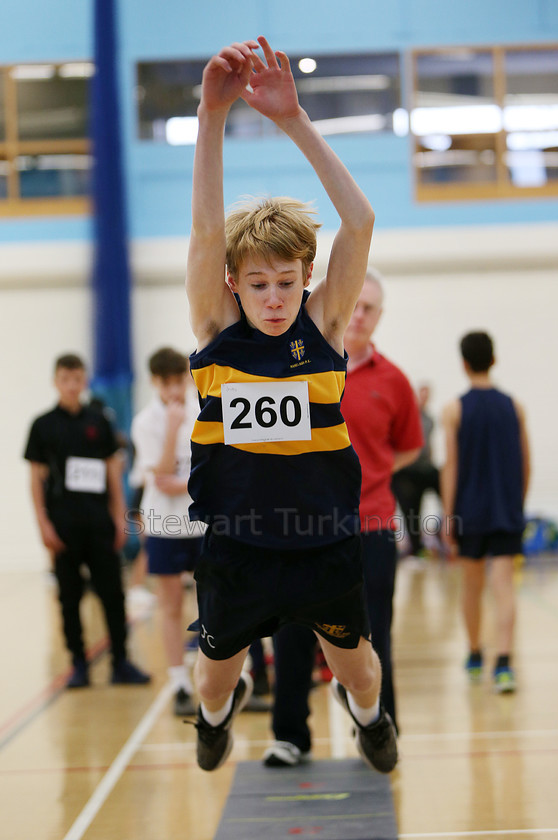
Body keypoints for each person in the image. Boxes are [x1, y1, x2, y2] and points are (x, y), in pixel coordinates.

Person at [185, 36, 397, 774]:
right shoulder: (215, 333)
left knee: (360, 670)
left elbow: (361, 222)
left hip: (321, 542)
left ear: (307, 276)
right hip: (237, 547)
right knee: (210, 681)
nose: (273, 298)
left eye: (286, 281)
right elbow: (207, 230)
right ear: (231, 284)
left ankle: (370, 721)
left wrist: (294, 120)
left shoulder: (326, 324)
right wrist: (211, 118)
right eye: (258, 283)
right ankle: (218, 720)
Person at [264, 269, 423, 767]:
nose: (359, 315)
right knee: (290, 630)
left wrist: (363, 473)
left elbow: (409, 448)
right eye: (355, 304)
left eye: (370, 308)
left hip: (369, 526)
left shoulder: (394, 382)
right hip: (299, 527)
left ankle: (378, 728)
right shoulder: (299, 363)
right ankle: (290, 735)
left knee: (374, 633)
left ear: (379, 316)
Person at [24, 354, 151, 688]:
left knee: (113, 594)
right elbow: (36, 479)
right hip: (63, 525)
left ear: (84, 381)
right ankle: (78, 664)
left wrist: (120, 518)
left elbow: (113, 472)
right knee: (68, 597)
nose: (71, 385)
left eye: (77, 378)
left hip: (99, 524)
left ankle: (121, 662)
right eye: (65, 379)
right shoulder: (43, 426)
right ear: (56, 382)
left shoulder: (98, 421)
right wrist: (43, 525)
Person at [441, 331, 530, 693]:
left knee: (472, 586)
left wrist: (448, 517)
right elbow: (526, 463)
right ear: (493, 360)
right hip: (505, 509)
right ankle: (504, 663)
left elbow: (451, 467)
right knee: (504, 585)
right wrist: (516, 502)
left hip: (470, 512)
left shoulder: (454, 409)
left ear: (464, 363)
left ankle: (476, 653)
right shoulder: (515, 406)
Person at [131, 347, 204, 715]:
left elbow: (209, 470)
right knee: (171, 604)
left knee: (212, 600)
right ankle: (178, 681)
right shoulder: (146, 422)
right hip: (163, 523)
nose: (175, 390)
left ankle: (219, 675)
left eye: (180, 381)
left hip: (200, 521)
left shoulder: (202, 410)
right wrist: (173, 428)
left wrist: (186, 481)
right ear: (155, 383)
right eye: (167, 383)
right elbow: (158, 476)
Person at [392, 382, 441, 560]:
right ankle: (415, 548)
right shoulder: (406, 415)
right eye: (421, 393)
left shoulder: (430, 419)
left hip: (424, 466)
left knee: (444, 483)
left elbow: (430, 444)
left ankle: (447, 535)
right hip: (407, 469)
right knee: (411, 508)